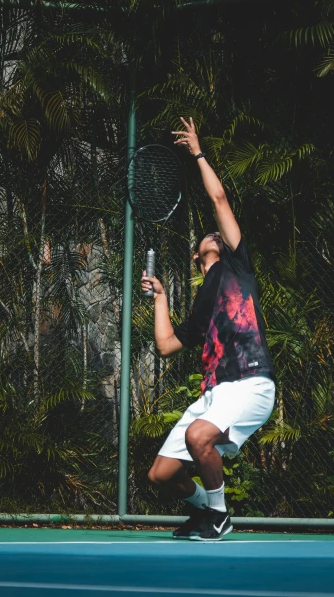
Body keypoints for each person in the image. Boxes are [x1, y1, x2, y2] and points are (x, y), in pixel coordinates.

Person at [140, 117, 276, 541]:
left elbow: (217, 196)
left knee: (200, 436)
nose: (217, 231)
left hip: (251, 383)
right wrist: (161, 297)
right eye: (209, 236)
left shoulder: (237, 263)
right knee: (160, 475)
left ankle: (219, 517)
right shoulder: (202, 303)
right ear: (198, 257)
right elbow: (165, 345)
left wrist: (197, 151)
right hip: (215, 392)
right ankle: (206, 510)